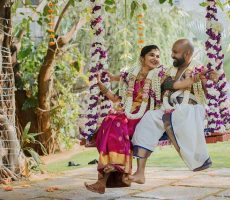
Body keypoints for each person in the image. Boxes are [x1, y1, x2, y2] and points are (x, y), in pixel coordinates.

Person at [130, 39, 217, 184]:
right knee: (149, 118)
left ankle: (199, 159)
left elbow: (210, 90)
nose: (171, 55)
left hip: (191, 109)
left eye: (175, 52)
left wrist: (210, 79)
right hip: (169, 108)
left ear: (187, 53)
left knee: (180, 113)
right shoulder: (170, 71)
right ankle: (140, 173)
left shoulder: (200, 69)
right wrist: (188, 81)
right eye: (172, 52)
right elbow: (168, 84)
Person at [84, 45, 166, 194]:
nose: (155, 58)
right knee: (109, 120)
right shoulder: (131, 77)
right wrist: (102, 87)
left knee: (116, 123)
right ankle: (102, 180)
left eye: (157, 56)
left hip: (142, 115)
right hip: (126, 113)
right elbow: (117, 99)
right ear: (142, 58)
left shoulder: (159, 76)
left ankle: (112, 170)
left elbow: (175, 80)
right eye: (151, 55)